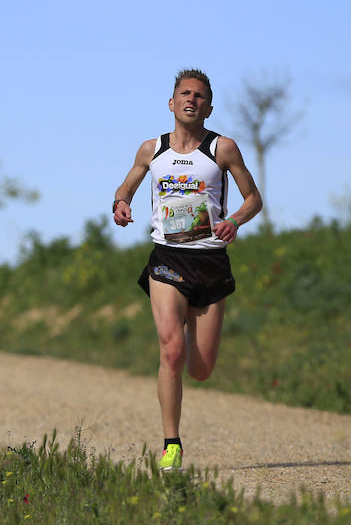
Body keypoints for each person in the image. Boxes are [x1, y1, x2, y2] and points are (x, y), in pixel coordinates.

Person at [112, 68, 263, 471]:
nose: (191, 100)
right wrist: (121, 204)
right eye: (184, 94)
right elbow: (125, 188)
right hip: (167, 259)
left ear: (208, 108)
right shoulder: (151, 150)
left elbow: (253, 199)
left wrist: (234, 220)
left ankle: (195, 356)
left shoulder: (223, 149)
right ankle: (171, 443)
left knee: (200, 369)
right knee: (171, 350)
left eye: (199, 96)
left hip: (211, 260)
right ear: (172, 103)